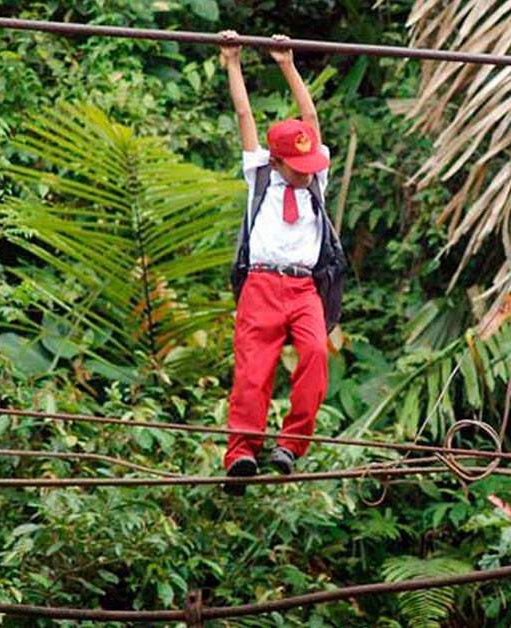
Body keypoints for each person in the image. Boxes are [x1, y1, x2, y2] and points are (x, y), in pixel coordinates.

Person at [218, 31, 347, 496]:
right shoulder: (260, 177)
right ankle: (241, 455)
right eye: (298, 164)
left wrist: (286, 62)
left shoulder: (317, 181)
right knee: (254, 370)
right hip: (261, 286)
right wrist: (233, 61)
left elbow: (309, 117)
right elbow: (244, 114)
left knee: (314, 354)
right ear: (277, 161)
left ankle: (291, 445)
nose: (308, 168)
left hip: (303, 289)